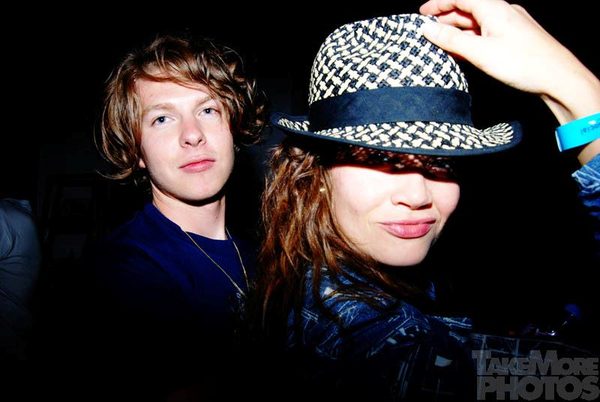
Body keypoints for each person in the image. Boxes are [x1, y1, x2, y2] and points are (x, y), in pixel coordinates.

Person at [255, 0, 599, 400]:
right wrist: (575, 89)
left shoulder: (335, 278)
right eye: (377, 159)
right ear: (315, 175)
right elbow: (579, 379)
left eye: (440, 162)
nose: (418, 195)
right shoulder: (374, 349)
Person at [77, 33, 266, 401]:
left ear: (234, 126)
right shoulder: (124, 270)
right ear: (136, 151)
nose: (192, 135)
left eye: (208, 110)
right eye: (162, 118)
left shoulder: (261, 254)